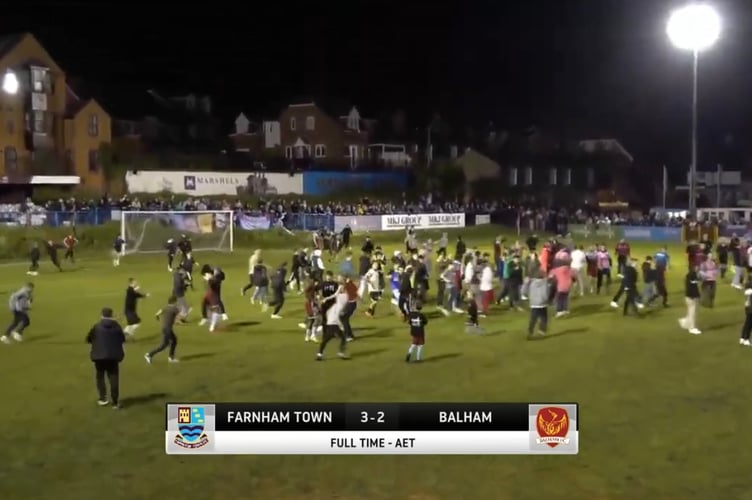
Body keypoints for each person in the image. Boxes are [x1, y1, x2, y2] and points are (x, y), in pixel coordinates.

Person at [86, 307, 126, 409]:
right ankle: (115, 402)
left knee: (100, 377)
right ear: (111, 315)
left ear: (102, 315)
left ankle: (103, 398)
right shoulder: (117, 326)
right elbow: (122, 339)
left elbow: (88, 338)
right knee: (113, 377)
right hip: (113, 356)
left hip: (99, 356)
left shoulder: (97, 326)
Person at [316, 288, 349, 361]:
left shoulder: (332, 307)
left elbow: (336, 295)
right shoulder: (339, 307)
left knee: (325, 340)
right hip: (334, 325)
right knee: (343, 338)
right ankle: (341, 352)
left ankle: (319, 354)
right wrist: (341, 326)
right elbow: (337, 317)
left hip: (329, 324)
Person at [146, 296, 181, 363]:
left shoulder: (165, 307)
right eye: (176, 301)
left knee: (173, 341)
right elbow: (179, 318)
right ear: (174, 302)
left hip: (164, 328)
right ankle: (149, 354)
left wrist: (157, 317)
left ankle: (171, 357)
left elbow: (157, 314)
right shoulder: (175, 309)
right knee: (164, 345)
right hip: (168, 329)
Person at [679, 266, 702, 335]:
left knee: (690, 311)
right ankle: (692, 328)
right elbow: (693, 285)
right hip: (691, 297)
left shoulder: (689, 276)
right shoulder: (692, 277)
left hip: (688, 297)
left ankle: (685, 323)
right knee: (692, 313)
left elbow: (696, 280)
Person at [527, 270, 549, 336]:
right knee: (544, 317)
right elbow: (545, 293)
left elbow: (525, 290)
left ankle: (530, 331)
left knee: (533, 318)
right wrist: (546, 299)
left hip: (534, 303)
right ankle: (542, 331)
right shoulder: (545, 283)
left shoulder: (531, 282)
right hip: (542, 303)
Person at [739, 280, 752, 347]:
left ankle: (742, 338)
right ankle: (746, 339)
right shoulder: (749, 282)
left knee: (747, 322)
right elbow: (747, 292)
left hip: (748, 306)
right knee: (749, 323)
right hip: (750, 307)